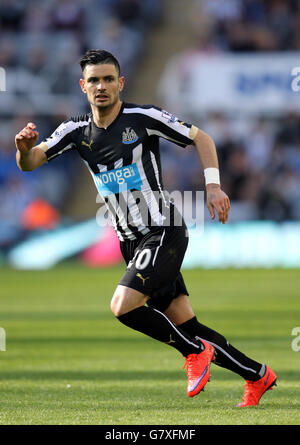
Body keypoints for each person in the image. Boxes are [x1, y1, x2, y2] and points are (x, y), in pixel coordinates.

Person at [15, 49, 277, 407]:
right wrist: (23, 149)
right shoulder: (75, 130)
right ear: (83, 86)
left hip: (163, 230)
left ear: (121, 83)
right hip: (129, 242)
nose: (101, 86)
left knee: (122, 306)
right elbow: (30, 163)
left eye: (109, 79)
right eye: (94, 80)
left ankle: (193, 353)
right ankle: (258, 375)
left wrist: (213, 185)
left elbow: (202, 138)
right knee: (186, 324)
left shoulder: (143, 117)